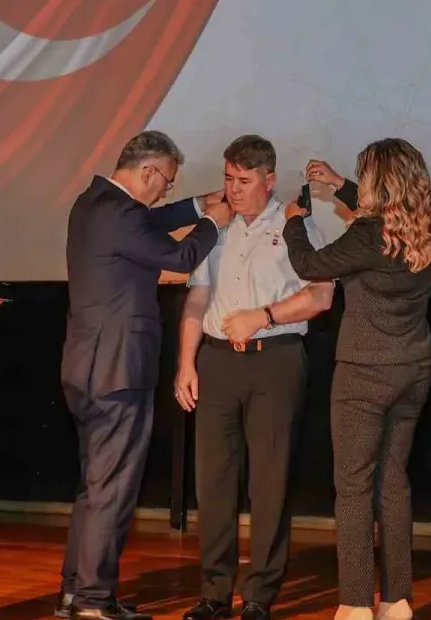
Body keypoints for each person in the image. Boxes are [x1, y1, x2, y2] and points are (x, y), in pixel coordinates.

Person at [58, 131, 232, 620]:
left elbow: (151, 220)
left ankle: (75, 592)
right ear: (148, 171)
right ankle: (94, 600)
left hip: (87, 366)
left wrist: (197, 205)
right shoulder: (121, 214)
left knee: (95, 485)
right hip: (117, 369)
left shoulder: (93, 202)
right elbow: (180, 257)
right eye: (167, 182)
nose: (165, 191)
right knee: (112, 488)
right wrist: (213, 223)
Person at [283, 142, 431, 620]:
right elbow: (385, 217)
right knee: (392, 483)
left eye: (364, 176)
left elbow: (310, 265)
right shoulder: (425, 229)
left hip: (363, 376)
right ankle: (398, 601)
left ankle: (355, 604)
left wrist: (294, 222)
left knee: (353, 487)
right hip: (412, 371)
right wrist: (339, 185)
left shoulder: (367, 236)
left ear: (380, 183)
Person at [174, 135, 334, 620]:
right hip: (217, 362)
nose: (234, 189)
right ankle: (214, 593)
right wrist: (186, 363)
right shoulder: (216, 227)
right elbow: (197, 298)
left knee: (269, 482)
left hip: (274, 360)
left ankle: (260, 594)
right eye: (228, 179)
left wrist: (262, 316)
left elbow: (321, 295)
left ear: (269, 180)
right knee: (214, 482)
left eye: (244, 181)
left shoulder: (295, 226)